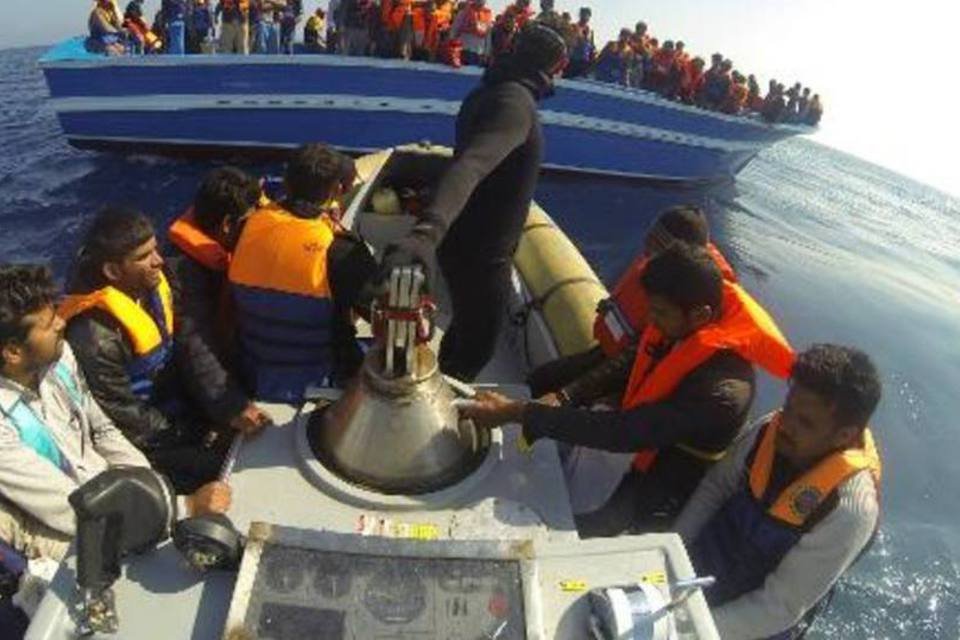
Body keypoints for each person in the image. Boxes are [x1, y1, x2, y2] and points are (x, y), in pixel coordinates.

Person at [462, 244, 795, 536]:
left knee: (569, 528)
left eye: (660, 313)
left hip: (654, 488)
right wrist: (565, 396)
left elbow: (627, 432)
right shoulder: (680, 328)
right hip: (627, 446)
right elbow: (626, 363)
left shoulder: (723, 392)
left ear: (701, 314)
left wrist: (519, 413)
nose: (651, 318)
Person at [0, 264, 231, 563]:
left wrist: (149, 486)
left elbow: (102, 430)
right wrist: (182, 508)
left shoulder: (59, 357)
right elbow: (67, 508)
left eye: (56, 313)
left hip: (105, 490)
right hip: (62, 527)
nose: (60, 324)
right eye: (47, 324)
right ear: (13, 352)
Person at [379, 24, 569, 383]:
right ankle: (438, 402)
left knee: (465, 329)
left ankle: (441, 374)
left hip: (462, 241)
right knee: (477, 346)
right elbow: (473, 164)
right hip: (483, 255)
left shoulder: (488, 92)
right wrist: (426, 232)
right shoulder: (516, 104)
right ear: (557, 65)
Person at [677, 344, 882, 639]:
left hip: (758, 621)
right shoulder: (767, 432)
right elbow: (715, 488)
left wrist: (685, 629)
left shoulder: (850, 510)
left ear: (845, 435)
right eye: (788, 407)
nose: (785, 424)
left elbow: (780, 606)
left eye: (806, 422)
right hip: (705, 567)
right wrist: (671, 555)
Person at [59, 209, 231, 493]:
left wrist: (218, 409)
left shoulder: (153, 288)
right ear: (113, 271)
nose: (159, 261)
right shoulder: (95, 337)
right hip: (145, 439)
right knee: (221, 470)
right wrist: (192, 433)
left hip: (175, 412)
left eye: (156, 250)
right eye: (143, 257)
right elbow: (123, 414)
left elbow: (187, 351)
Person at [527, 205, 737, 405]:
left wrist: (570, 394)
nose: (648, 251)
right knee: (542, 379)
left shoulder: (687, 299)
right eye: (650, 242)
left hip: (637, 376)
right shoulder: (659, 267)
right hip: (614, 351)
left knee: (556, 387)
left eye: (656, 247)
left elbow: (637, 359)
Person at [227, 144, 378, 403]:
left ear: (286, 182)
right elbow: (379, 310)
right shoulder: (340, 250)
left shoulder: (246, 227)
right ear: (338, 191)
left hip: (253, 372)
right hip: (321, 377)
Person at [166, 167, 272, 439]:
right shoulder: (182, 271)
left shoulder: (224, 237)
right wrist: (233, 407)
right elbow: (194, 342)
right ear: (227, 224)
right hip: (200, 380)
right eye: (251, 221)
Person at [450, 0, 493, 66]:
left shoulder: (487, 15)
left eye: (483, 2)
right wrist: (452, 47)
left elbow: (488, 36)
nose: (481, 3)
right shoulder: (463, 13)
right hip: (463, 50)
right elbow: (454, 30)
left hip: (479, 52)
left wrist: (486, 53)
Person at [564, 6, 594, 78]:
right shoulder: (573, 27)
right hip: (572, 60)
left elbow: (591, 47)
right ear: (580, 15)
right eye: (583, 14)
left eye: (587, 15)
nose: (585, 17)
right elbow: (568, 42)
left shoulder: (590, 31)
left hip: (584, 62)